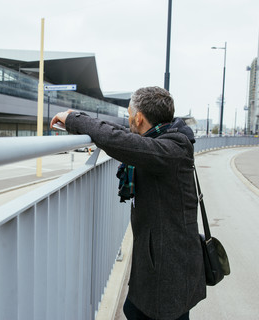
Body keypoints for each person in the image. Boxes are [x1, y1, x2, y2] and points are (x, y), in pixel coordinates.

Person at [50, 86, 206, 320]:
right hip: (165, 259)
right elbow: (124, 135)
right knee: (136, 310)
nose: (128, 119)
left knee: (141, 311)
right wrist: (78, 121)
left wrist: (73, 119)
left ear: (139, 117)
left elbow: (120, 141)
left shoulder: (170, 149)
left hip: (170, 267)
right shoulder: (165, 140)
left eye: (129, 114)